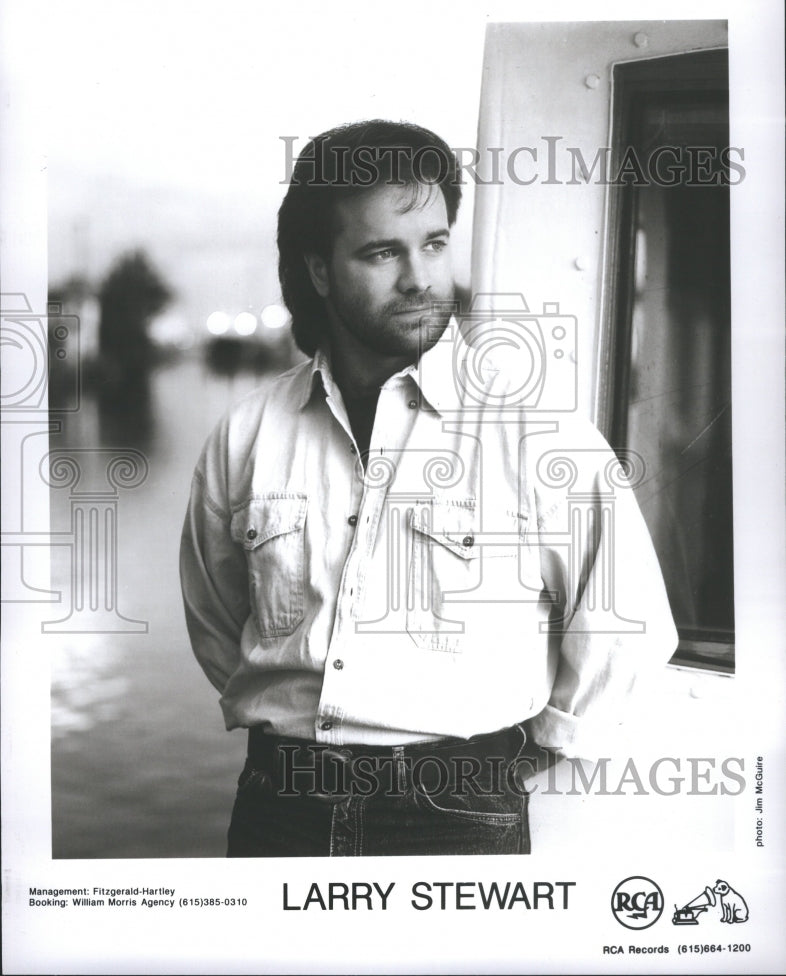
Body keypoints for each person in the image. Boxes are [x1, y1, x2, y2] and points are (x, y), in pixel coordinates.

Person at [180, 119, 678, 857]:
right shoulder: (249, 434)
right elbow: (220, 625)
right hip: (278, 809)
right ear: (319, 270)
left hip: (455, 816)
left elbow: (624, 624)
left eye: (435, 244)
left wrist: (498, 771)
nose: (419, 277)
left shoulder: (533, 427)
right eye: (383, 252)